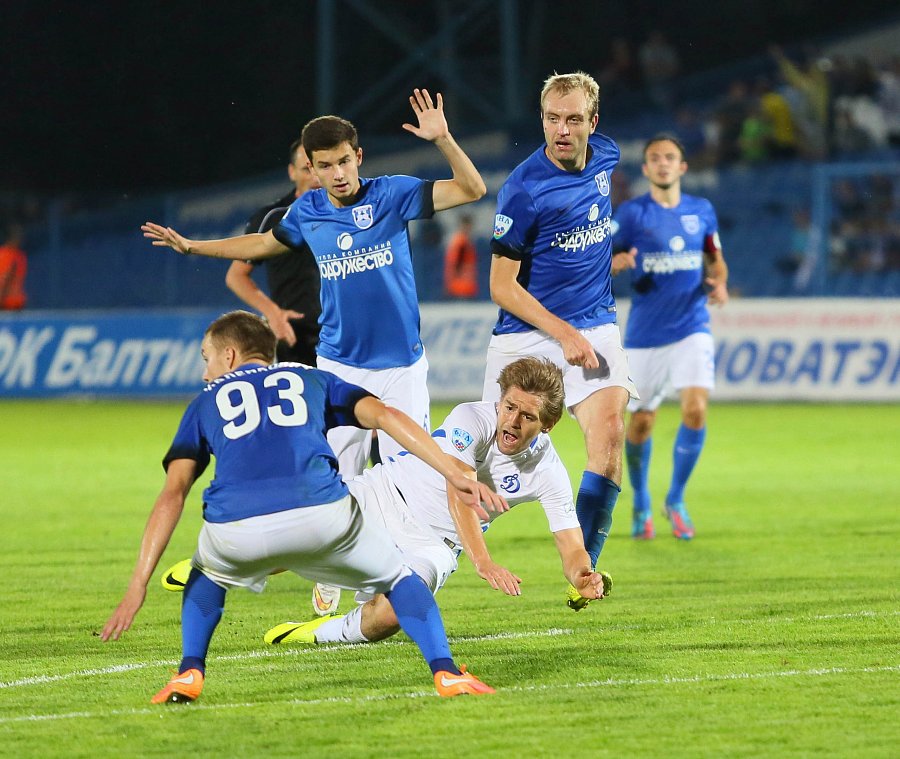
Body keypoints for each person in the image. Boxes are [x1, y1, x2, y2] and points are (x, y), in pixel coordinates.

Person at [143, 89, 485, 616]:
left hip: (402, 368)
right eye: (324, 166)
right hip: (340, 367)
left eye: (344, 161)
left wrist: (443, 139)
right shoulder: (307, 211)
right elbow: (261, 245)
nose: (337, 174)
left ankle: (390, 576)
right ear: (311, 167)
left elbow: (472, 188)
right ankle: (332, 574)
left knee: (407, 479)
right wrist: (193, 247)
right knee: (335, 479)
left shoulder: (392, 194)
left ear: (359, 157)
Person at [100, 311, 502, 702]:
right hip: (321, 516)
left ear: (230, 355)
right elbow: (386, 415)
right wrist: (452, 471)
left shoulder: (205, 402)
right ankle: (446, 672)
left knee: (205, 578)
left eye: (208, 358)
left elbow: (173, 494)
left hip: (235, 529)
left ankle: (189, 671)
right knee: (401, 581)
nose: (206, 373)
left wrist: (137, 584)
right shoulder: (310, 379)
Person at [262, 357, 610, 648]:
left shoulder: (548, 472)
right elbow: (460, 490)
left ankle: (318, 632)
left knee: (393, 614)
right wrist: (484, 562)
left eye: (528, 416)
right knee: (285, 545)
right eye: (509, 407)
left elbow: (571, 545)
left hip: (434, 545)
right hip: (386, 494)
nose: (513, 421)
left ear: (548, 424)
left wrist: (581, 574)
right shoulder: (471, 418)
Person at [482, 72, 637, 611]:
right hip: (528, 333)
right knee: (488, 471)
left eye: (573, 119)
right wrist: (562, 331)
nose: (562, 130)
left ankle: (583, 573)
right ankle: (415, 553)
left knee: (610, 435)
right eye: (552, 119)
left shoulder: (607, 155)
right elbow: (501, 287)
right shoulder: (523, 189)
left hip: (595, 324)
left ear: (593, 122)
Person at [610, 133, 729, 540]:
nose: (663, 163)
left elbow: (716, 261)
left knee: (695, 409)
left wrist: (719, 282)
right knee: (641, 422)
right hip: (645, 334)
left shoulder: (701, 210)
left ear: (682, 166)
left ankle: (675, 499)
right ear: (646, 168)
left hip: (692, 326)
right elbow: (600, 259)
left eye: (670, 157)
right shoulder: (631, 214)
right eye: (655, 158)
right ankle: (641, 500)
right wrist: (616, 262)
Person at [225, 138, 322, 365]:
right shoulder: (273, 217)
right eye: (306, 169)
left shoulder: (348, 213)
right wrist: (273, 313)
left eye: (320, 167)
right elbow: (236, 276)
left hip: (346, 334)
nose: (315, 177)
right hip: (298, 336)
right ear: (292, 172)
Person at [443, 214, 478, 298]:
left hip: (463, 287)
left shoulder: (462, 241)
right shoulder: (461, 242)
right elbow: (455, 264)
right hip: (459, 287)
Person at [0, 222, 27, 310]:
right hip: (6, 306)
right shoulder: (7, 255)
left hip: (16, 305)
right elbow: (5, 280)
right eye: (18, 235)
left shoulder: (20, 256)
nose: (21, 239)